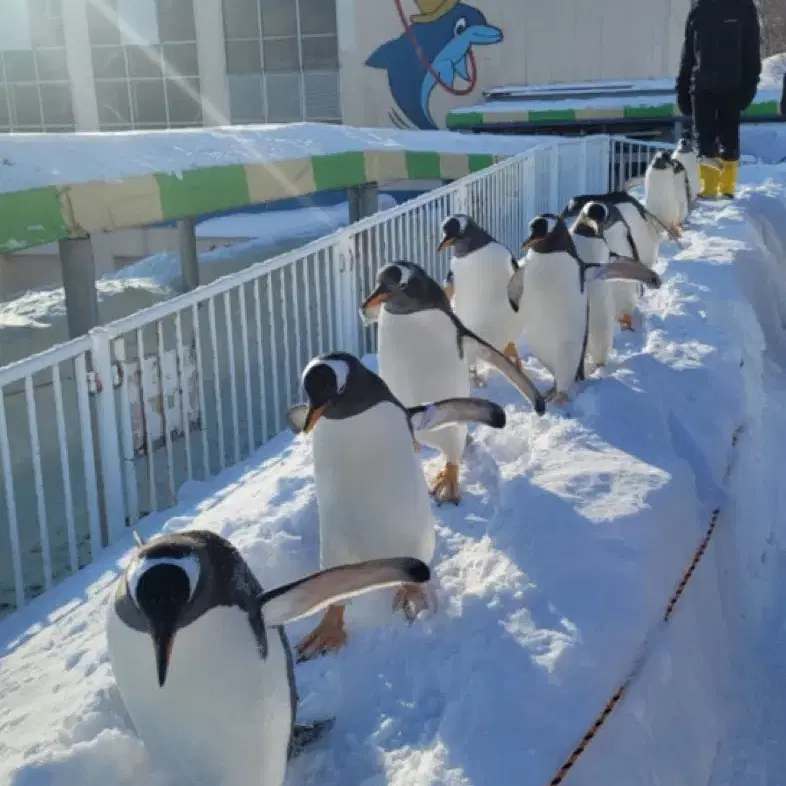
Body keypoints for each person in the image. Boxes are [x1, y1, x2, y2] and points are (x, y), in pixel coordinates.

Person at [676, 0, 762, 199]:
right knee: (704, 141)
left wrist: (749, 87)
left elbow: (752, 54)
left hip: (733, 88)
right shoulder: (699, 10)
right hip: (701, 88)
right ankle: (708, 191)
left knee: (729, 142)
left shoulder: (743, 8)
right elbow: (688, 55)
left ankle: (726, 191)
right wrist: (682, 89)